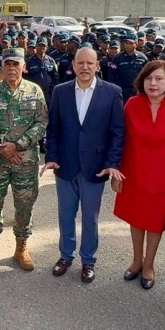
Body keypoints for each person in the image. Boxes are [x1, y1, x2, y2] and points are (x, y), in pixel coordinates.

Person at [43, 47, 125, 283]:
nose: (85, 67)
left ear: (97, 65)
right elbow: (53, 128)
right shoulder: (61, 91)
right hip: (65, 165)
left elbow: (117, 132)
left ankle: (88, 259)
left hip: (95, 167)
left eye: (90, 63)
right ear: (73, 65)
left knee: (90, 218)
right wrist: (51, 156)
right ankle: (65, 255)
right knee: (66, 215)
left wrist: (112, 163)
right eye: (81, 63)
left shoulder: (112, 92)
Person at [113, 60, 165, 289]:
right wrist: (116, 172)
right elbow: (121, 141)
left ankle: (149, 264)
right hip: (133, 174)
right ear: (142, 81)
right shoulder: (132, 104)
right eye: (149, 78)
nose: (153, 83)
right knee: (136, 219)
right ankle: (136, 260)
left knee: (155, 222)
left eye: (159, 79)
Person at [0, 47, 48, 272]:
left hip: (24, 161)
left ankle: (21, 247)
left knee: (24, 204)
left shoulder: (34, 91)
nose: (11, 68)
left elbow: (41, 123)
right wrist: (3, 146)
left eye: (15, 64)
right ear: (2, 67)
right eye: (7, 64)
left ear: (23, 67)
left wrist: (17, 145)